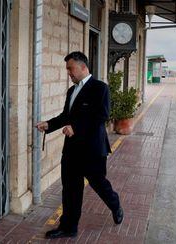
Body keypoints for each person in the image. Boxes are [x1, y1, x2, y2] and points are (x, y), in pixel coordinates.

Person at [36, 51, 123, 239]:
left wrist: (76, 128)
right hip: (72, 150)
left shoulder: (100, 88)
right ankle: (68, 227)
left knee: (99, 184)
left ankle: (115, 204)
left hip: (93, 150)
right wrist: (49, 125)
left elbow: (102, 116)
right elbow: (66, 116)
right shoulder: (71, 91)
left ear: (83, 67)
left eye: (70, 68)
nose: (68, 72)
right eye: (67, 69)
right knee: (70, 190)